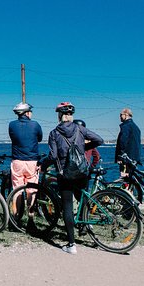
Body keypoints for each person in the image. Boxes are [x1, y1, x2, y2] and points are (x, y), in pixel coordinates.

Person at [45, 102, 103, 254]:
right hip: (82, 172)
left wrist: (42, 163)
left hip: (65, 174)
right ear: (71, 115)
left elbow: (53, 156)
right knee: (83, 199)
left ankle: (71, 245)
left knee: (68, 207)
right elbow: (99, 140)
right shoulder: (80, 129)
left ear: (59, 115)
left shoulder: (54, 133)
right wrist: (83, 148)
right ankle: (85, 226)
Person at [8, 102, 43, 220]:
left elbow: (13, 137)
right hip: (32, 161)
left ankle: (16, 217)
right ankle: (31, 217)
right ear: (27, 113)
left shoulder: (12, 125)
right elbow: (39, 138)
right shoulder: (35, 125)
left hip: (17, 161)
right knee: (31, 190)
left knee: (17, 190)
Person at [115, 108, 142, 178]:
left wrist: (121, 156)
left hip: (126, 158)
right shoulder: (136, 127)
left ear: (126, 115)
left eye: (121, 115)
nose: (120, 117)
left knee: (125, 178)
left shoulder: (126, 126)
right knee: (131, 178)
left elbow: (123, 141)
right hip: (134, 158)